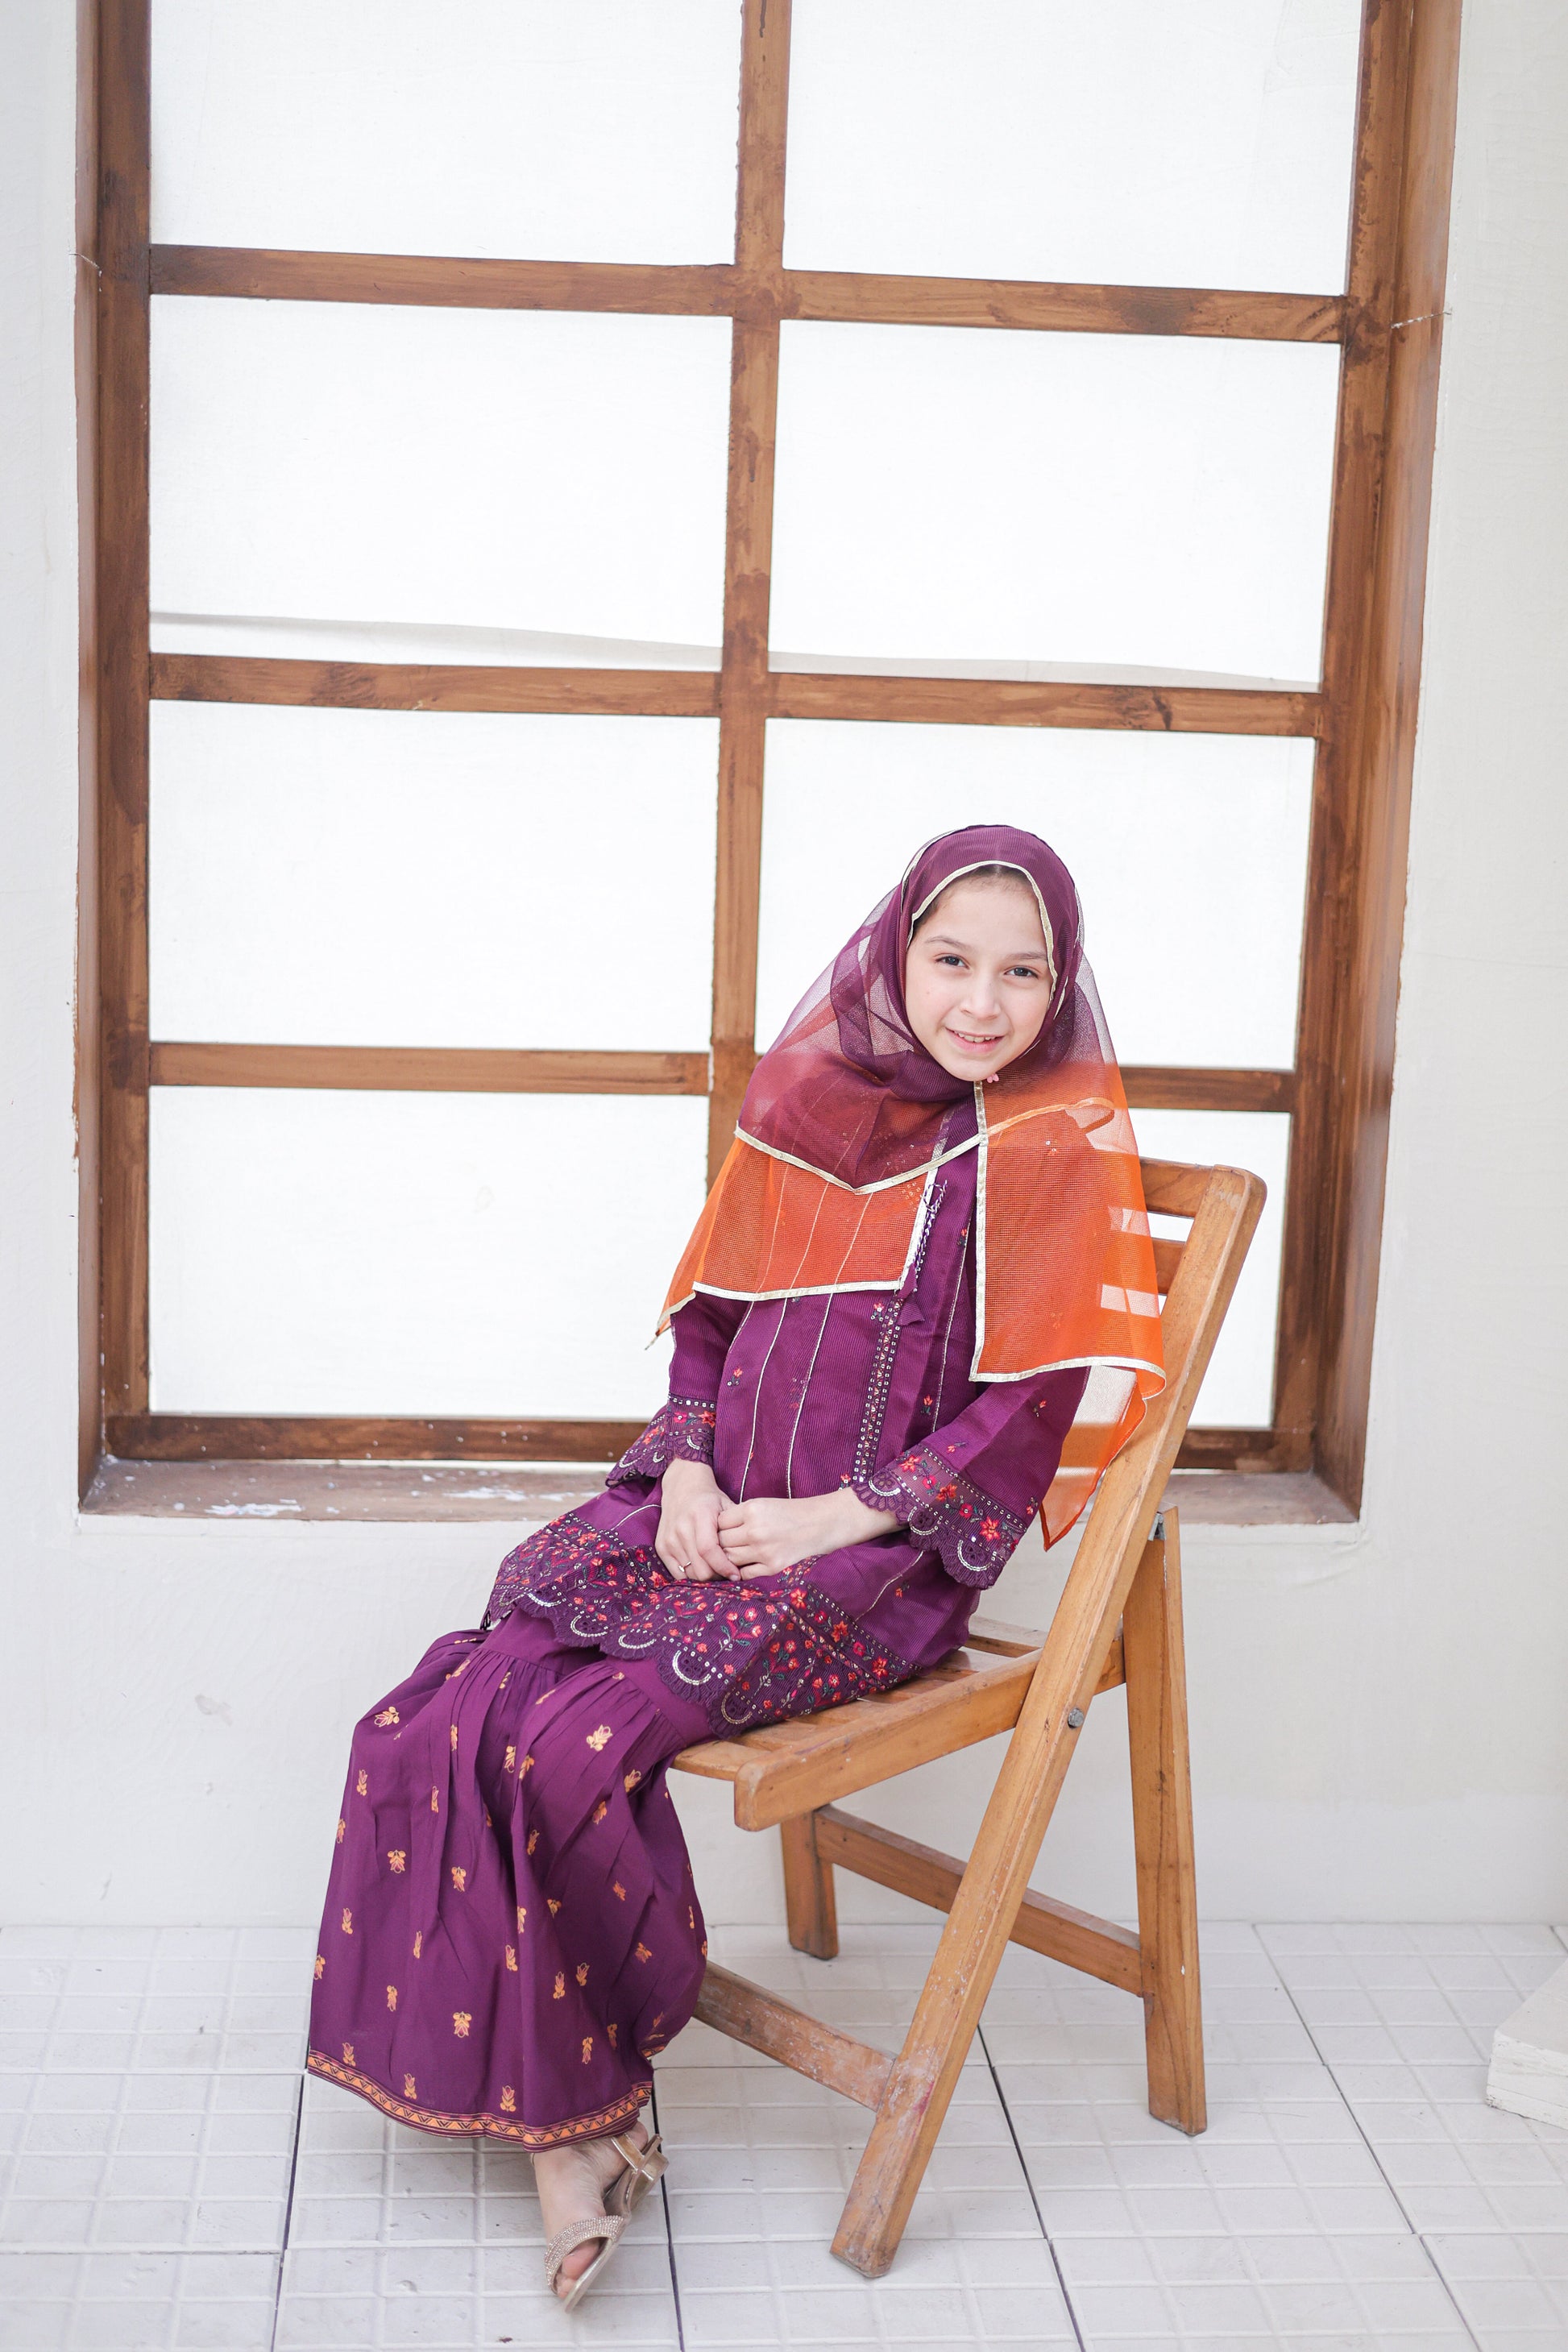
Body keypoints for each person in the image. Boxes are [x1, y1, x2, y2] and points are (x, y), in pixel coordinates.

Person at [306, 824, 1164, 2304]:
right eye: (951, 960)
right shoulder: (809, 1103)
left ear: (1060, 990)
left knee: (575, 1742)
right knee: (431, 1718)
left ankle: (580, 2122)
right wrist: (691, 1471)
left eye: (1023, 973)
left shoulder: (1046, 1159)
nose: (982, 1000)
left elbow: (1027, 1413)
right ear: (892, 955)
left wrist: (839, 1520)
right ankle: (571, 2090)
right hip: (702, 1505)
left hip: (871, 1563)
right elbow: (710, 1319)